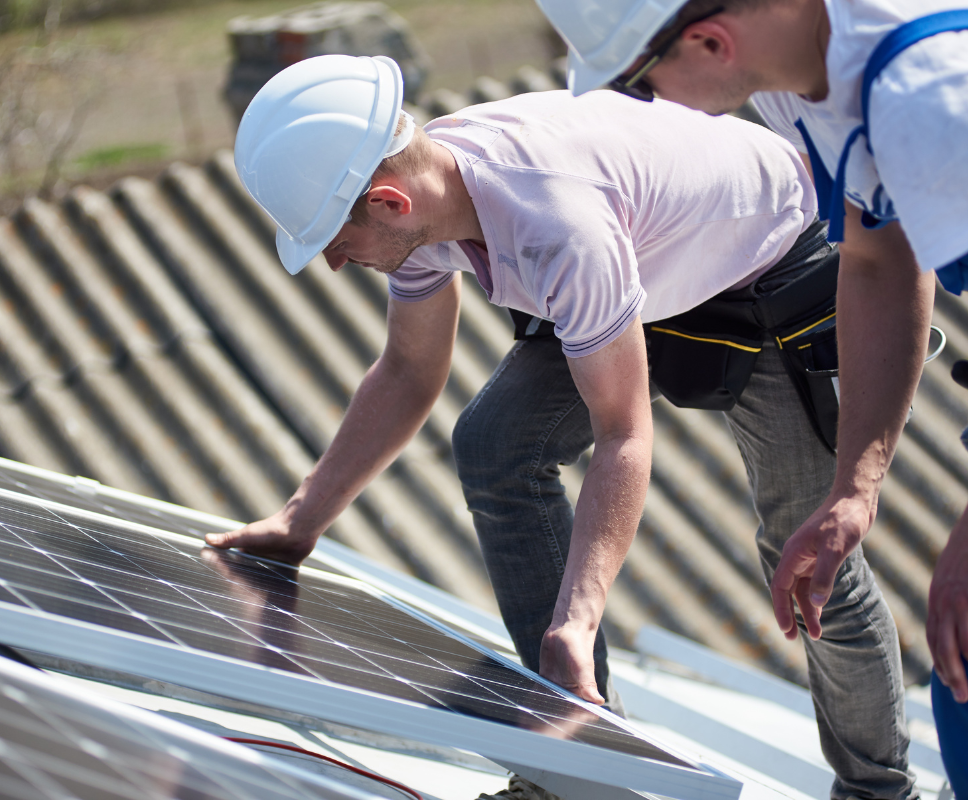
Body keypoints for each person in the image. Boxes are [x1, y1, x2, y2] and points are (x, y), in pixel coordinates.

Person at [211, 53, 915, 800]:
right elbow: (409, 372)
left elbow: (624, 435)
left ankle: (878, 790)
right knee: (495, 444)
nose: (333, 264)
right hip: (635, 258)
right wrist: (300, 520)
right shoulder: (431, 203)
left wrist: (576, 618)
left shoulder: (553, 223)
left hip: (762, 255)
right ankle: (576, 766)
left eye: (333, 240)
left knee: (810, 556)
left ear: (388, 202)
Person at [536, 0, 966, 782]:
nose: (644, 104)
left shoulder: (930, 96)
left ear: (709, 40)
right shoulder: (795, 81)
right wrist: (852, 491)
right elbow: (881, 260)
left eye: (638, 80)